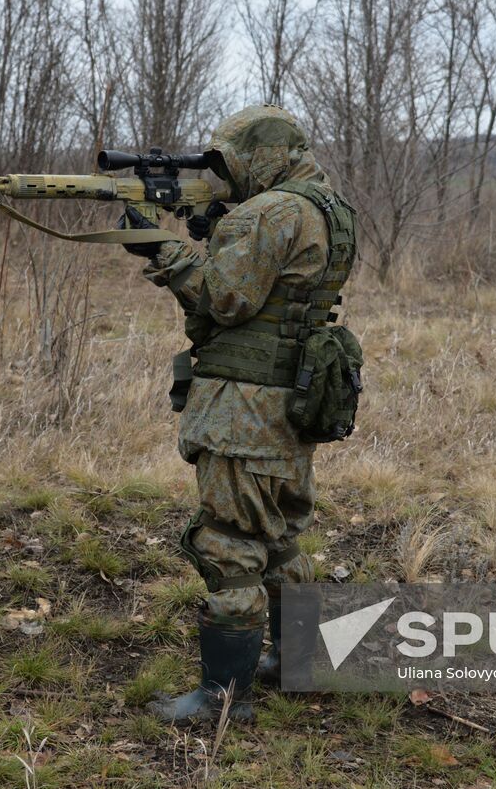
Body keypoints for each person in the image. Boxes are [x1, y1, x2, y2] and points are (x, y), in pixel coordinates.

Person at [119, 105, 357, 725]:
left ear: (266, 155)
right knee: (278, 537)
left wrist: (162, 246)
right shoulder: (327, 207)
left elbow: (225, 298)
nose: (226, 175)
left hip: (246, 410)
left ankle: (223, 700)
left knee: (228, 544)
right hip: (291, 403)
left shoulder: (270, 213)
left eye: (234, 161)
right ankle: (298, 661)